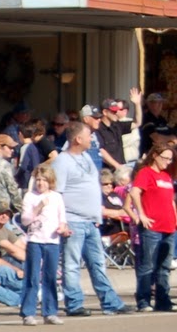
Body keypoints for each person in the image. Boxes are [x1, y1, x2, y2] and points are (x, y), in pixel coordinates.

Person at [54, 121, 129, 316]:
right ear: (78, 139)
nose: (92, 138)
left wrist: (96, 214)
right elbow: (56, 194)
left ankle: (110, 302)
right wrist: (62, 221)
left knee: (98, 264)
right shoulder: (62, 161)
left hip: (91, 222)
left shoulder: (87, 157)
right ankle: (74, 303)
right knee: (71, 264)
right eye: (88, 135)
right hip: (73, 221)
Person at [127, 144, 176, 312]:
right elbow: (134, 193)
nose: (168, 162)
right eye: (165, 158)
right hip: (152, 227)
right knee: (148, 265)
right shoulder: (146, 173)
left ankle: (163, 301)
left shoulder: (166, 176)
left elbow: (170, 200)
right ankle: (144, 300)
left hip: (169, 226)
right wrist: (141, 214)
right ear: (155, 155)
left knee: (164, 267)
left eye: (170, 159)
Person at [18, 165, 69, 325]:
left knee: (50, 276)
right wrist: (38, 208)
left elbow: (62, 217)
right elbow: (25, 220)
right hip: (35, 240)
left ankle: (50, 311)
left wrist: (63, 227)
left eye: (44, 180)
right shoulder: (30, 197)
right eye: (38, 180)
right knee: (32, 276)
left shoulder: (56, 197)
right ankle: (28, 312)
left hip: (52, 240)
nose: (40, 183)